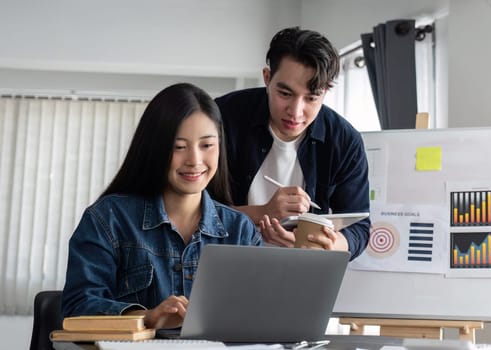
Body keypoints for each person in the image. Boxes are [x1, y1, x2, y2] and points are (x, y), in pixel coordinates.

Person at [61, 83, 262, 330]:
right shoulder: (108, 219)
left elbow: (260, 317)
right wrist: (146, 318)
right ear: (155, 148)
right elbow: (78, 308)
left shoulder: (241, 231)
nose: (194, 160)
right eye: (179, 147)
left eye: (207, 145)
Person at [215, 27, 370, 260]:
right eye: (285, 94)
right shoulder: (223, 118)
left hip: (302, 272)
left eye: (311, 98)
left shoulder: (344, 140)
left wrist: (325, 245)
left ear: (325, 91)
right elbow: (186, 211)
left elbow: (360, 229)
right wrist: (261, 213)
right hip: (221, 263)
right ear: (267, 78)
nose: (295, 112)